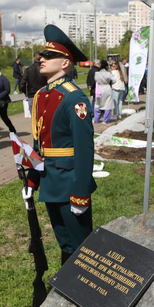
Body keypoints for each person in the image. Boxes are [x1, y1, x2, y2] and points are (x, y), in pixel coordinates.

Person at [28, 24, 96, 265]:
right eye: (41, 55)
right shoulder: (42, 95)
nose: (41, 59)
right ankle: (68, 290)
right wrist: (32, 178)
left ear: (65, 62)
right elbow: (38, 142)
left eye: (48, 56)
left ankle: (86, 290)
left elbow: (85, 150)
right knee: (64, 241)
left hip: (69, 183)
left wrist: (81, 192)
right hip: (49, 180)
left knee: (81, 245)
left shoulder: (74, 98)